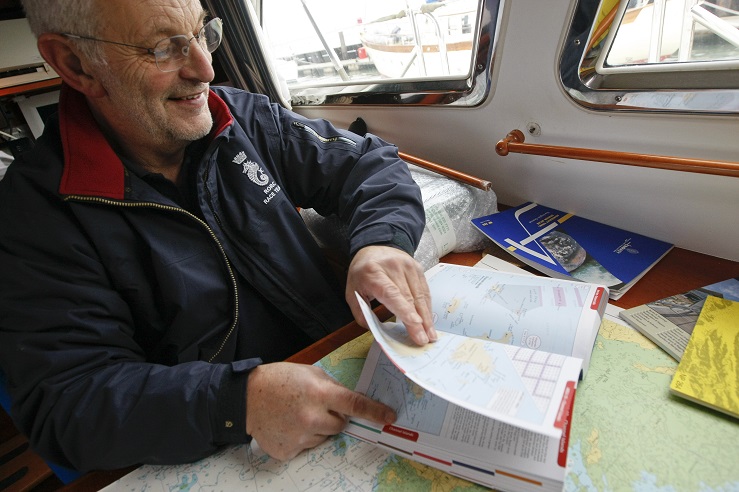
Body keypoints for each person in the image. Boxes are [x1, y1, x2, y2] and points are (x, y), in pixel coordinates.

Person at [0, 0, 437, 473]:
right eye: (164, 48)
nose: (205, 69)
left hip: (340, 365)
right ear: (76, 64)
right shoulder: (33, 215)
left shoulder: (240, 117)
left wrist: (380, 242)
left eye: (203, 34)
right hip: (223, 443)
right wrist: (236, 403)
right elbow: (68, 405)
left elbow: (367, 165)